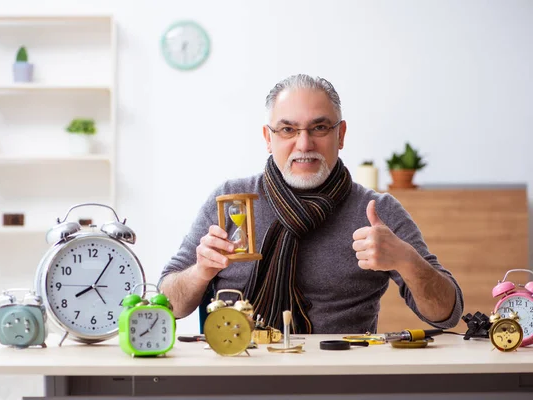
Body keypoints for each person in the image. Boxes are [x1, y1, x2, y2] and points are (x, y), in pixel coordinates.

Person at [158, 74, 464, 334]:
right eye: (288, 129)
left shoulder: (376, 211)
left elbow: (446, 314)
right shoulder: (230, 199)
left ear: (340, 134)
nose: (304, 144)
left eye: (319, 128)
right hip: (237, 370)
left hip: (338, 380)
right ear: (268, 137)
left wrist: (407, 260)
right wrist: (201, 271)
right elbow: (168, 305)